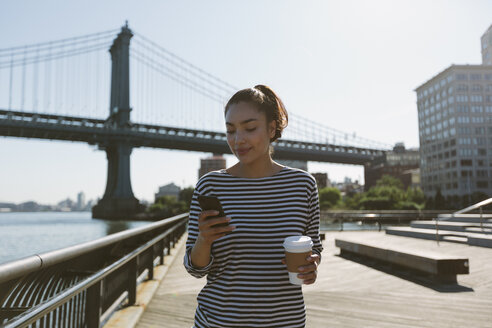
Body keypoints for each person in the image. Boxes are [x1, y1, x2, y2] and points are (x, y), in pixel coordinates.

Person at [183, 85, 323, 328]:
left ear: (271, 128)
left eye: (249, 128)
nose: (238, 140)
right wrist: (204, 240)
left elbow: (314, 248)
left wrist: (311, 266)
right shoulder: (210, 186)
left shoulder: (303, 185)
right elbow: (195, 269)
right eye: (230, 130)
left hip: (285, 322)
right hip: (218, 321)